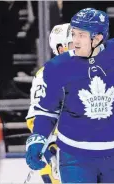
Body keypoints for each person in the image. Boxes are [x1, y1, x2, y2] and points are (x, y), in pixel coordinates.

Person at [24, 6, 114, 183]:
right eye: (74, 35)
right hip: (74, 156)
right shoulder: (56, 67)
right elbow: (46, 111)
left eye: (81, 35)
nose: (75, 41)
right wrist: (39, 139)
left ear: (98, 38)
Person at [26, 23, 73, 184]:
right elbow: (36, 119)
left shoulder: (94, 70)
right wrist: (50, 151)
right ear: (61, 49)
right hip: (58, 153)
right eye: (74, 43)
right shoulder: (46, 75)